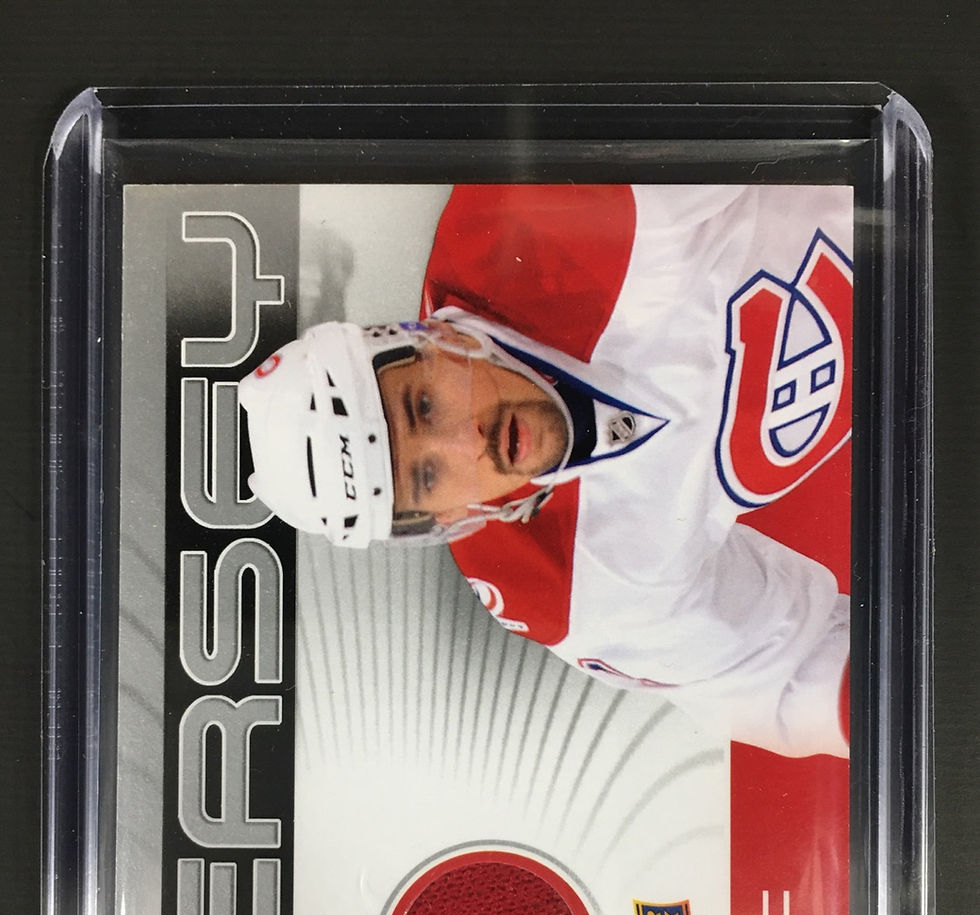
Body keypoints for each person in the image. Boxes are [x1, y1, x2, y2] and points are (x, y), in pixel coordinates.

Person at [239, 184, 853, 758]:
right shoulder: (558, 586)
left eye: (424, 406)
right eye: (426, 477)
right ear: (444, 517)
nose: (466, 443)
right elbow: (792, 676)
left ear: (429, 340)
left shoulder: (530, 212)